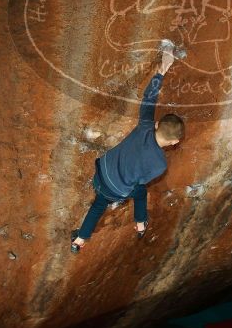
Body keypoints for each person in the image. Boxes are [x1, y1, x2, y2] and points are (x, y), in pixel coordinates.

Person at [71, 46, 183, 253]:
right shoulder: (160, 165)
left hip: (101, 171)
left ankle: (82, 238)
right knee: (137, 192)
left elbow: (149, 98)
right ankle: (82, 239)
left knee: (103, 201)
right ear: (175, 142)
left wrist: (162, 70)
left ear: (158, 124)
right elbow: (140, 180)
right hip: (113, 191)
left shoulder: (145, 126)